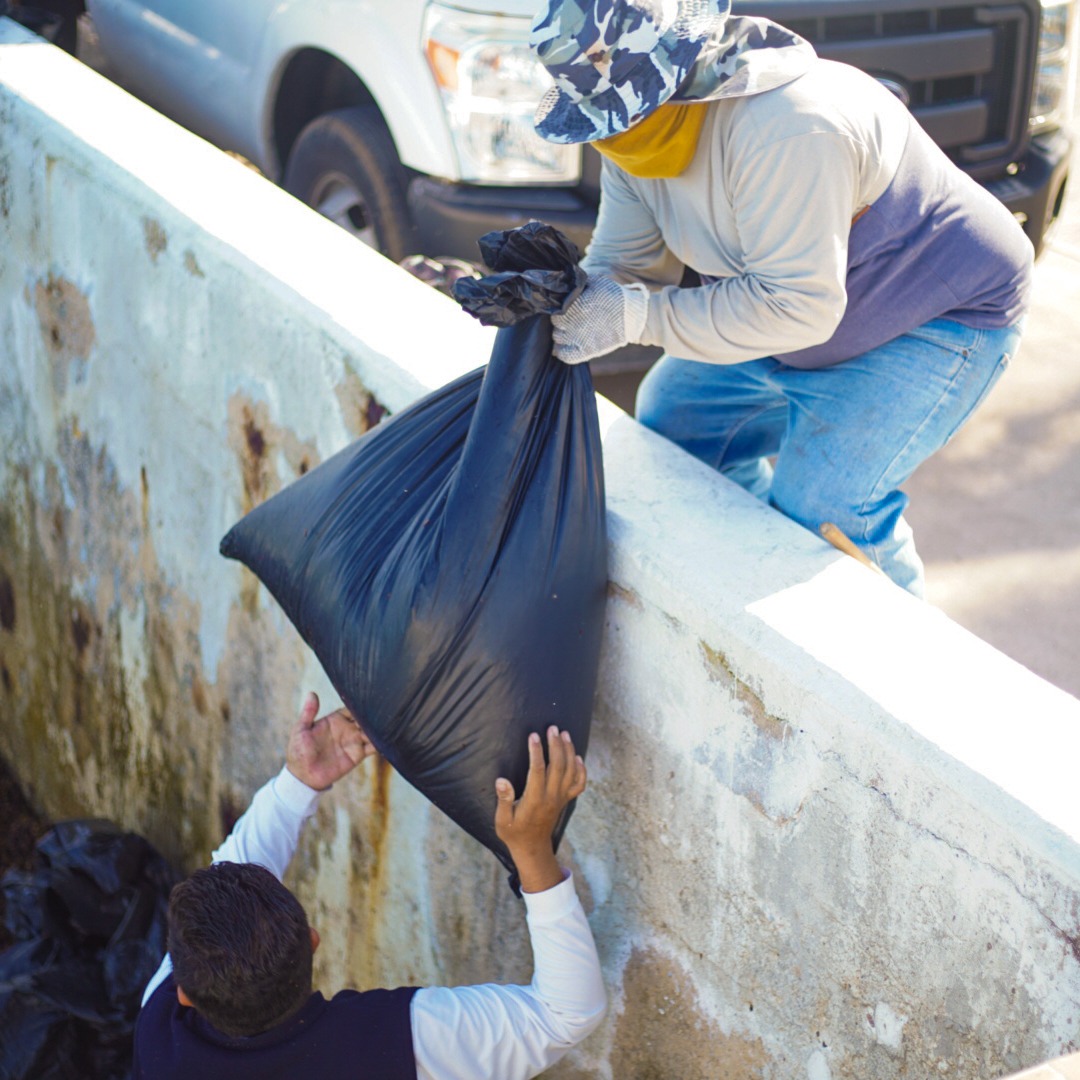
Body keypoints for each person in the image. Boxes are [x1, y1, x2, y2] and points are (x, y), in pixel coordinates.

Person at [530, 0, 1033, 595]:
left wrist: (637, 316)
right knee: (676, 428)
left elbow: (797, 306)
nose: (609, 135)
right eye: (598, 120)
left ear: (681, 69)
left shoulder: (788, 125)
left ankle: (900, 675)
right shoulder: (633, 138)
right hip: (797, 312)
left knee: (826, 509)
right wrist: (559, 304)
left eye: (619, 114)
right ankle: (746, 599)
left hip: (933, 318)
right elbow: (626, 267)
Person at [133, 692, 605, 1079]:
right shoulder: (389, 1043)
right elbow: (565, 1015)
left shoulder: (160, 1036)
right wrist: (531, 853)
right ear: (313, 941)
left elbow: (232, 871)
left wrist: (300, 782)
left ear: (186, 994)